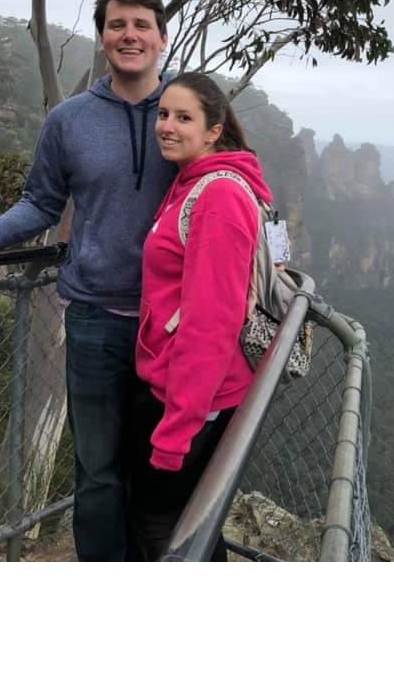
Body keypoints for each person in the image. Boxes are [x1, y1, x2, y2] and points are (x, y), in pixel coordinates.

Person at [0, 0, 177, 562]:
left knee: (161, 468)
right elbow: (40, 201)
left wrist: (273, 249)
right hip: (93, 319)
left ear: (162, 37)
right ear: (103, 36)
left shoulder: (186, 111)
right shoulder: (70, 120)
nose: (129, 35)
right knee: (98, 471)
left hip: (172, 327)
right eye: (117, 25)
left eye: (141, 24)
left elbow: (233, 182)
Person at [127, 72, 274, 561]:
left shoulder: (218, 196)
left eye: (184, 118)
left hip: (194, 399)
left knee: (160, 527)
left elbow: (211, 324)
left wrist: (176, 432)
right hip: (172, 386)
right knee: (191, 522)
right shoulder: (190, 182)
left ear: (214, 131)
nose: (167, 126)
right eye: (163, 114)